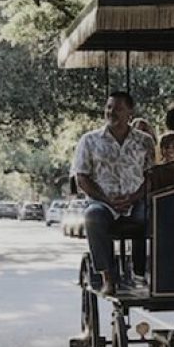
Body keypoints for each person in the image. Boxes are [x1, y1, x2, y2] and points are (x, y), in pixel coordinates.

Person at [72, 92, 155, 295]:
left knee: (154, 216)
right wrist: (107, 199)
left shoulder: (145, 141)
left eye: (117, 108)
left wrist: (134, 197)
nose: (111, 112)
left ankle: (143, 272)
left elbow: (152, 175)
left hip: (135, 200)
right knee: (93, 217)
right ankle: (108, 277)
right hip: (103, 202)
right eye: (109, 107)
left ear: (129, 112)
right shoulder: (89, 140)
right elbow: (81, 177)